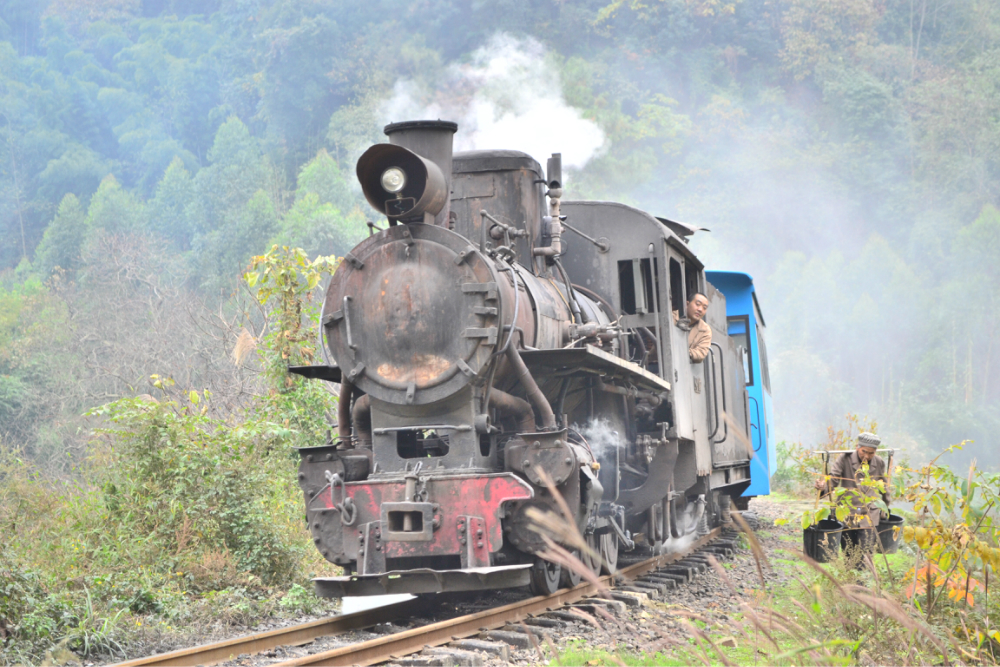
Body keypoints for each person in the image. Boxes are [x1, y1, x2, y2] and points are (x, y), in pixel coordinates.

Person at [815, 432, 892, 555]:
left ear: (875, 452)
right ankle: (850, 573)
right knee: (848, 550)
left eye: (871, 453)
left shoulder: (878, 462)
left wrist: (885, 508)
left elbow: (884, 486)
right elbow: (833, 480)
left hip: (869, 512)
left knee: (866, 550)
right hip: (847, 510)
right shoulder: (845, 459)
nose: (866, 456)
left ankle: (865, 573)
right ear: (857, 447)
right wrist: (823, 487)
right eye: (864, 451)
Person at [673, 292, 712, 362]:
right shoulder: (671, 317)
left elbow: (701, 353)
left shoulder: (705, 330)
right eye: (697, 304)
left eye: (704, 308)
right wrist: (676, 329)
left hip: (684, 366)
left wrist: (684, 352)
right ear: (687, 304)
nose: (700, 309)